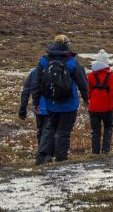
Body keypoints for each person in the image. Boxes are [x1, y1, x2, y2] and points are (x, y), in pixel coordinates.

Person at [33, 34, 89, 164]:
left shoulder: (44, 61)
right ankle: (61, 159)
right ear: (67, 45)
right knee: (63, 132)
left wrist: (36, 101)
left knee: (49, 127)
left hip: (51, 102)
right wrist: (86, 98)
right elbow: (82, 82)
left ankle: (43, 155)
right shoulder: (72, 62)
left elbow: (36, 83)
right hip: (69, 104)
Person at [86, 49, 113, 155]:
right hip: (107, 108)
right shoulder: (110, 76)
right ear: (106, 62)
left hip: (94, 109)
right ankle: (105, 151)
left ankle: (95, 153)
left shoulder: (91, 75)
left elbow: (89, 92)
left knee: (95, 131)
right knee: (108, 128)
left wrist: (88, 103)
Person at [19, 63, 48, 152]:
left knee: (41, 130)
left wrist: (23, 107)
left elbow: (26, 90)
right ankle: (49, 153)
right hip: (54, 108)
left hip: (38, 107)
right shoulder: (56, 70)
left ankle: (42, 152)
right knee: (51, 130)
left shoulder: (34, 72)